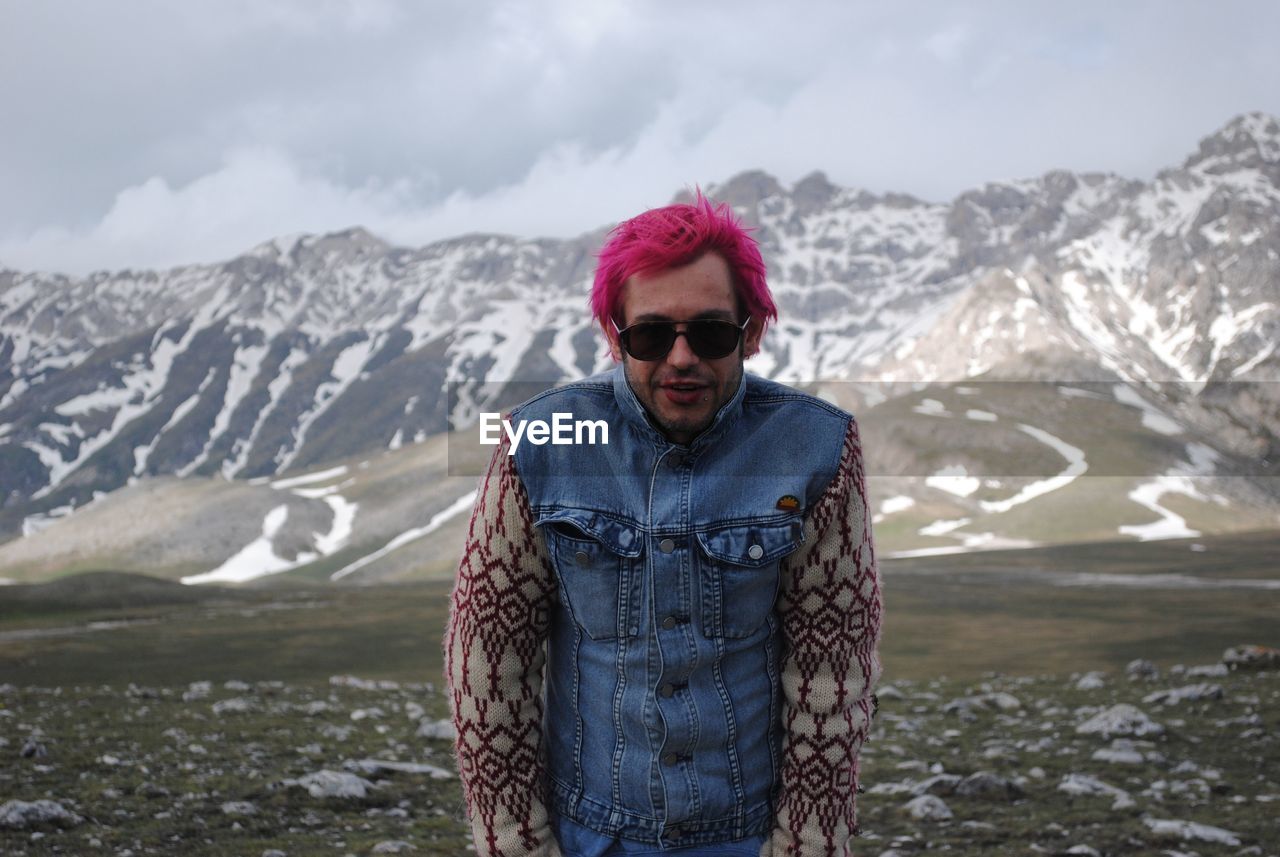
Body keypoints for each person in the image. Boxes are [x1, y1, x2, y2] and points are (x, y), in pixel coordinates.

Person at [445, 192, 882, 857]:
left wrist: (809, 842)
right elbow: (489, 661)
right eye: (651, 335)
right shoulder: (539, 441)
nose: (681, 357)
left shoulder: (816, 447)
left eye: (709, 332)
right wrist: (513, 842)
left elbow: (833, 670)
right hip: (588, 839)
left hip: (750, 839)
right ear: (614, 335)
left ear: (752, 331)